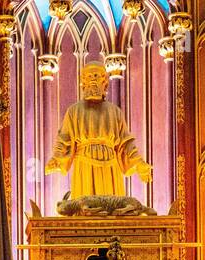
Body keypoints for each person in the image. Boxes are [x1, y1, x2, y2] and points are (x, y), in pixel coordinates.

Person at [45, 63, 152, 199]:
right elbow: (64, 138)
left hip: (110, 168)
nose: (93, 80)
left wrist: (139, 163)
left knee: (112, 211)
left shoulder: (115, 112)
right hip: (84, 166)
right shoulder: (74, 111)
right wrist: (56, 158)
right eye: (89, 76)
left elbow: (126, 143)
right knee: (86, 211)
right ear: (83, 82)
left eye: (96, 76)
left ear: (104, 83)